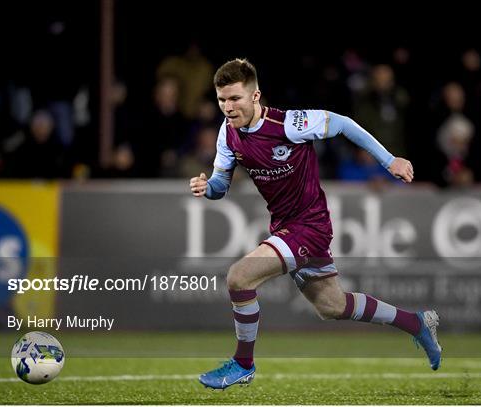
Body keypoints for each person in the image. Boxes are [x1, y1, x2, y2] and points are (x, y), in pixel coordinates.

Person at [189, 59, 442, 390]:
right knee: (332, 306)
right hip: (285, 227)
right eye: (222, 99)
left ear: (255, 96)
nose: (227, 107)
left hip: (309, 226)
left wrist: (388, 160)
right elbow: (221, 186)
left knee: (239, 277)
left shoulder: (289, 124)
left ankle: (243, 364)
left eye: (235, 98)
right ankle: (416, 322)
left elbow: (343, 124)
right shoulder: (228, 134)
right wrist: (207, 188)